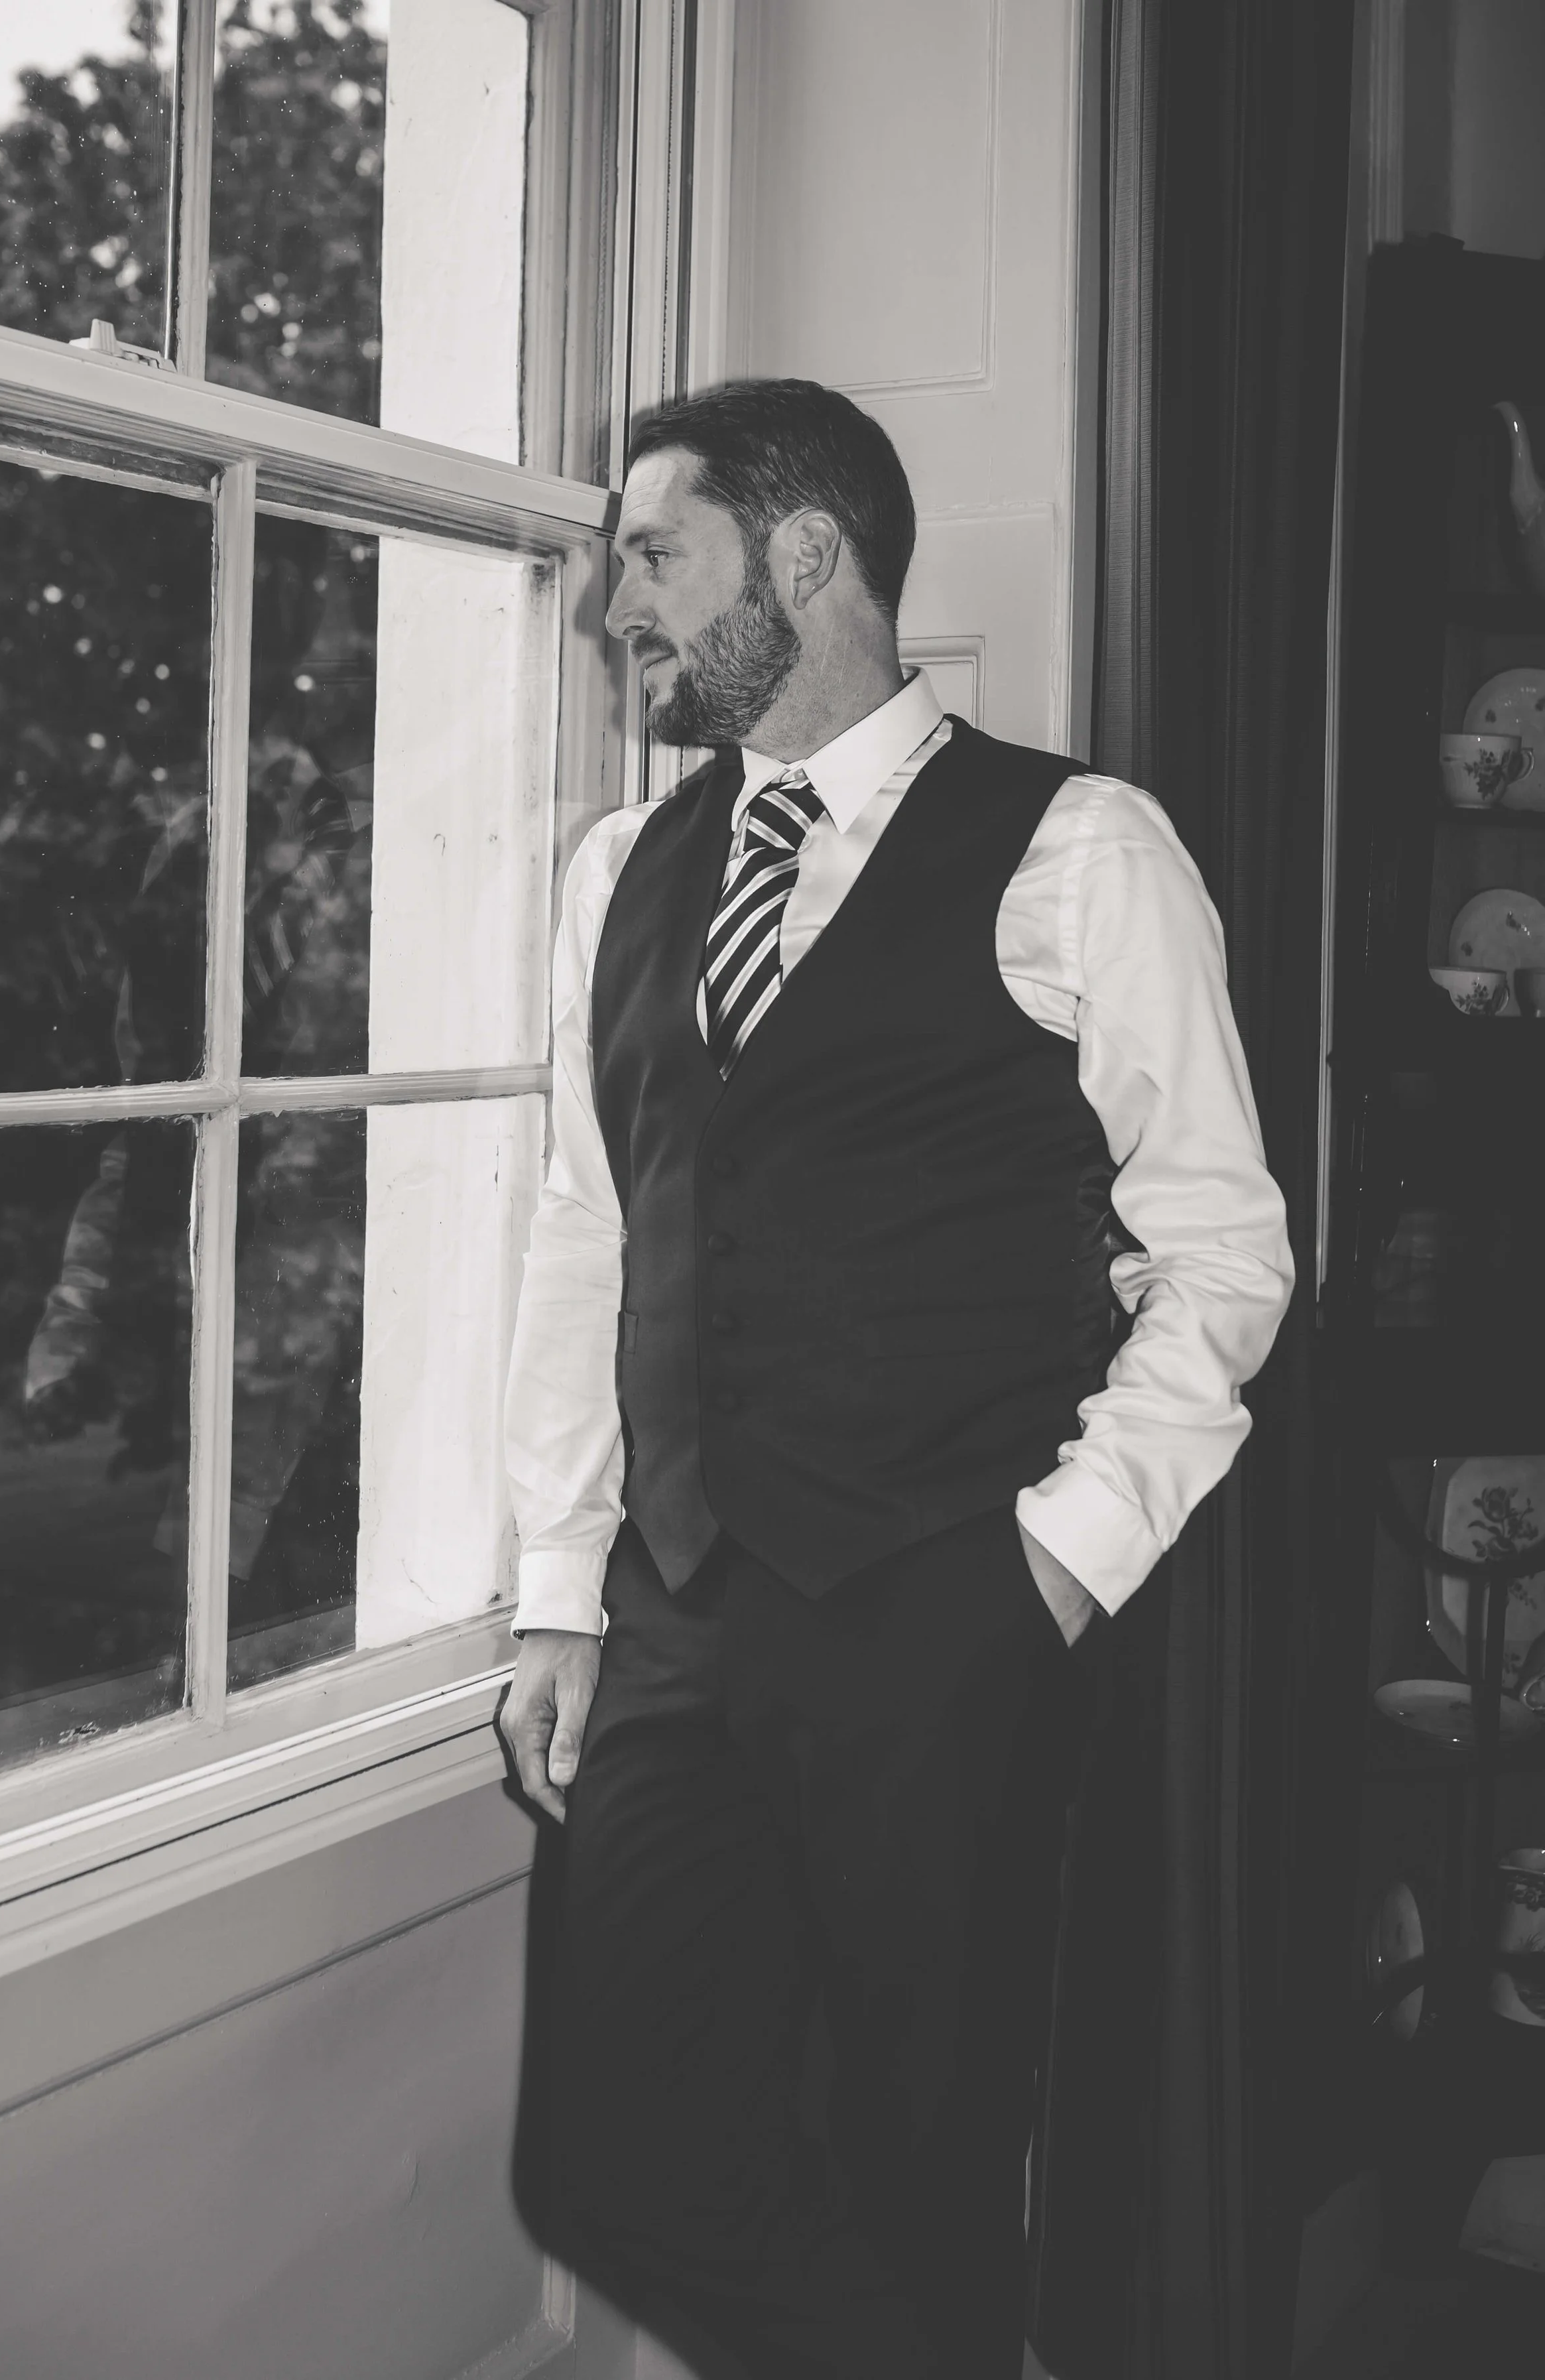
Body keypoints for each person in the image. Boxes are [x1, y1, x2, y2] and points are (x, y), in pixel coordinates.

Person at [499, 377, 1293, 2380]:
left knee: (923, 2156)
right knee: (613, 2159)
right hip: (679, 1605)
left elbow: (1220, 1251)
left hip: (947, 1602)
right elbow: (594, 1229)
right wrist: (560, 1586)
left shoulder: (1082, 847)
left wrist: (1059, 1561)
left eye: (653, 556)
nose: (618, 608)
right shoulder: (622, 868)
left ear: (806, 554)